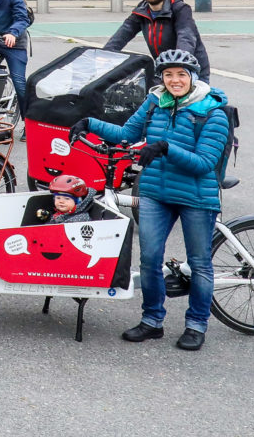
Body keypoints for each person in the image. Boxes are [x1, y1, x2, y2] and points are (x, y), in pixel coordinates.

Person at [71, 48, 231, 352]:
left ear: (193, 78)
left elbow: (204, 163)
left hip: (196, 196)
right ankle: (152, 320)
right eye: (169, 75)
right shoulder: (155, 102)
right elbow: (126, 133)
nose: (174, 80)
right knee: (149, 259)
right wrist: (89, 123)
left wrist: (165, 147)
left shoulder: (213, 111)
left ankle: (196, 325)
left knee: (199, 263)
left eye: (181, 75)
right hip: (156, 193)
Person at [105, 0, 211, 81]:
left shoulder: (180, 9)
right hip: (164, 67)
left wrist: (180, 61)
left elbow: (186, 37)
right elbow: (124, 32)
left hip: (190, 69)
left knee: (188, 98)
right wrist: (106, 53)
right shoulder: (142, 10)